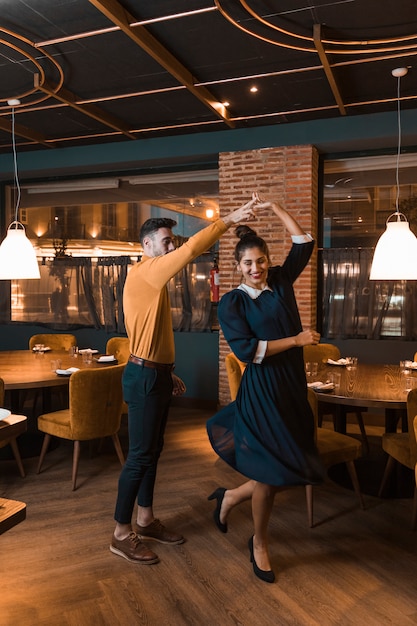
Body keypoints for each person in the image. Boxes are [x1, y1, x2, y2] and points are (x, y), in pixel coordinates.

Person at [110, 195, 259, 564]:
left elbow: (149, 330)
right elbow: (194, 247)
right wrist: (230, 219)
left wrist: (167, 370)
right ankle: (120, 532)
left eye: (171, 241)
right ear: (147, 246)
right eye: (165, 241)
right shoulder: (148, 269)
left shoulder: (150, 276)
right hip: (143, 377)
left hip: (154, 373)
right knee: (139, 457)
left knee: (152, 453)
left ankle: (144, 519)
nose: (171, 246)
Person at [206, 196, 324, 583]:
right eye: (247, 263)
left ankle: (231, 497)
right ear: (237, 266)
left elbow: (304, 242)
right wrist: (297, 339)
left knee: (277, 466)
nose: (256, 269)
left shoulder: (282, 282)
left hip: (292, 385)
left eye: (260, 261)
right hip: (262, 391)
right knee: (271, 474)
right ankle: (259, 542)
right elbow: (249, 352)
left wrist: (275, 207)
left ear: (267, 260)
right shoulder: (232, 303)